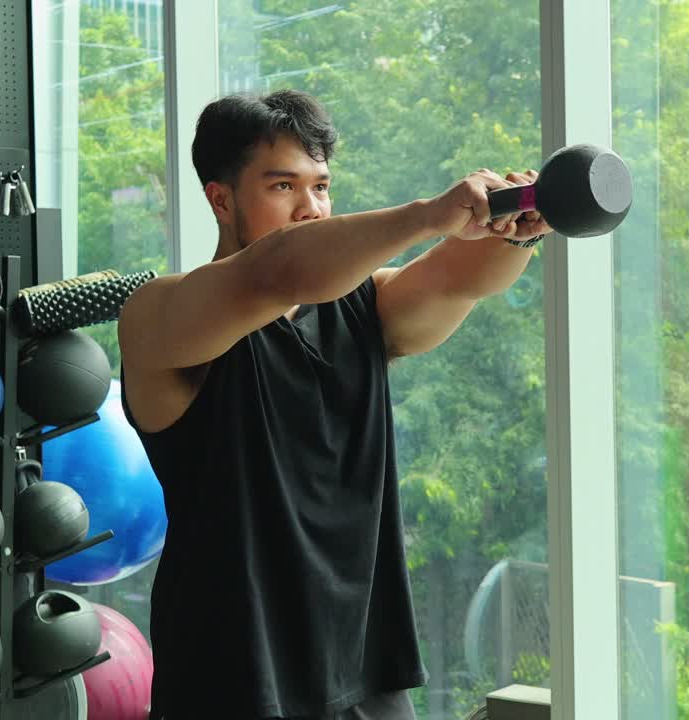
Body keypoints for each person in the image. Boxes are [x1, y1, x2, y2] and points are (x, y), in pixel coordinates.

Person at [118, 89, 551, 720]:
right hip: (231, 682)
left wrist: (515, 232)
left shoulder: (365, 309)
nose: (311, 208)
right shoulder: (161, 314)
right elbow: (277, 272)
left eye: (321, 187)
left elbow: (457, 280)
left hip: (366, 671)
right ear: (221, 199)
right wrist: (429, 215)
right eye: (283, 187)